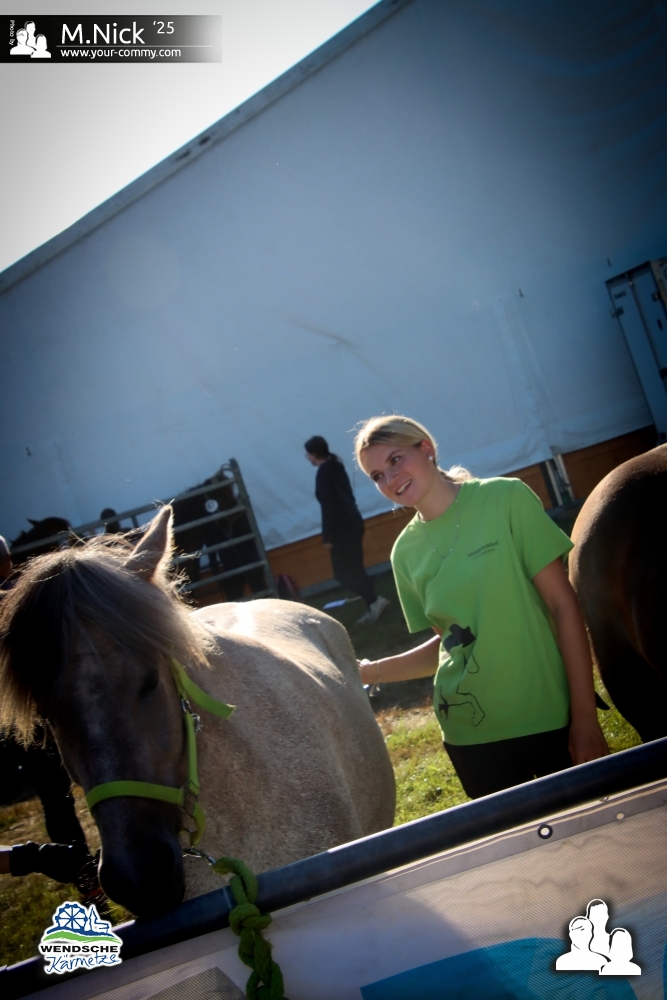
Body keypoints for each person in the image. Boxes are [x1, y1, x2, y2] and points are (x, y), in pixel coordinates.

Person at [355, 415, 608, 798]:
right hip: (469, 734)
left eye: (395, 459)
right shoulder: (403, 553)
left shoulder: (506, 498)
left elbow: (563, 606)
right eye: (376, 475)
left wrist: (585, 716)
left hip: (550, 716)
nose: (390, 479)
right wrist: (369, 672)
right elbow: (453, 645)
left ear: (426, 449)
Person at [305, 435, 389, 624]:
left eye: (308, 454)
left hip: (341, 527)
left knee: (342, 573)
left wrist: (327, 536)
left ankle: (374, 600)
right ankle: (373, 606)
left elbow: (328, 505)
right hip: (354, 520)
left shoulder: (324, 472)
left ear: (315, 454)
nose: (308, 458)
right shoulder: (337, 465)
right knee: (356, 568)